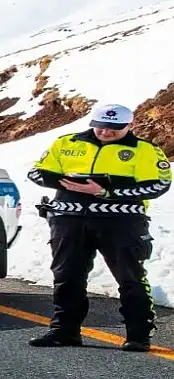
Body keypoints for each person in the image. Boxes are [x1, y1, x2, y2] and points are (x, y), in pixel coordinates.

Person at [26, 103, 170, 352]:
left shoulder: (145, 150)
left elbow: (158, 185)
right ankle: (64, 331)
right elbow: (36, 172)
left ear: (130, 125)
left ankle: (138, 335)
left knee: (130, 277)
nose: (105, 132)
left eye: (114, 128)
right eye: (100, 127)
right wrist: (66, 182)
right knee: (67, 276)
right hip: (69, 221)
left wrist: (106, 191)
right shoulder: (66, 142)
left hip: (122, 223)